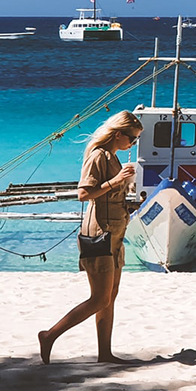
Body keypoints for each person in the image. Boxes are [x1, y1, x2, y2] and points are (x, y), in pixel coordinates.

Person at [39, 110, 142, 364]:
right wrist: (117, 180)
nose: (133, 144)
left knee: (111, 296)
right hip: (99, 233)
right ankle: (49, 335)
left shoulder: (113, 157)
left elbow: (109, 196)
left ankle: (105, 353)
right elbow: (84, 194)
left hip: (115, 233)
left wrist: (129, 201)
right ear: (118, 134)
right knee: (99, 298)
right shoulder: (98, 156)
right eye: (132, 138)